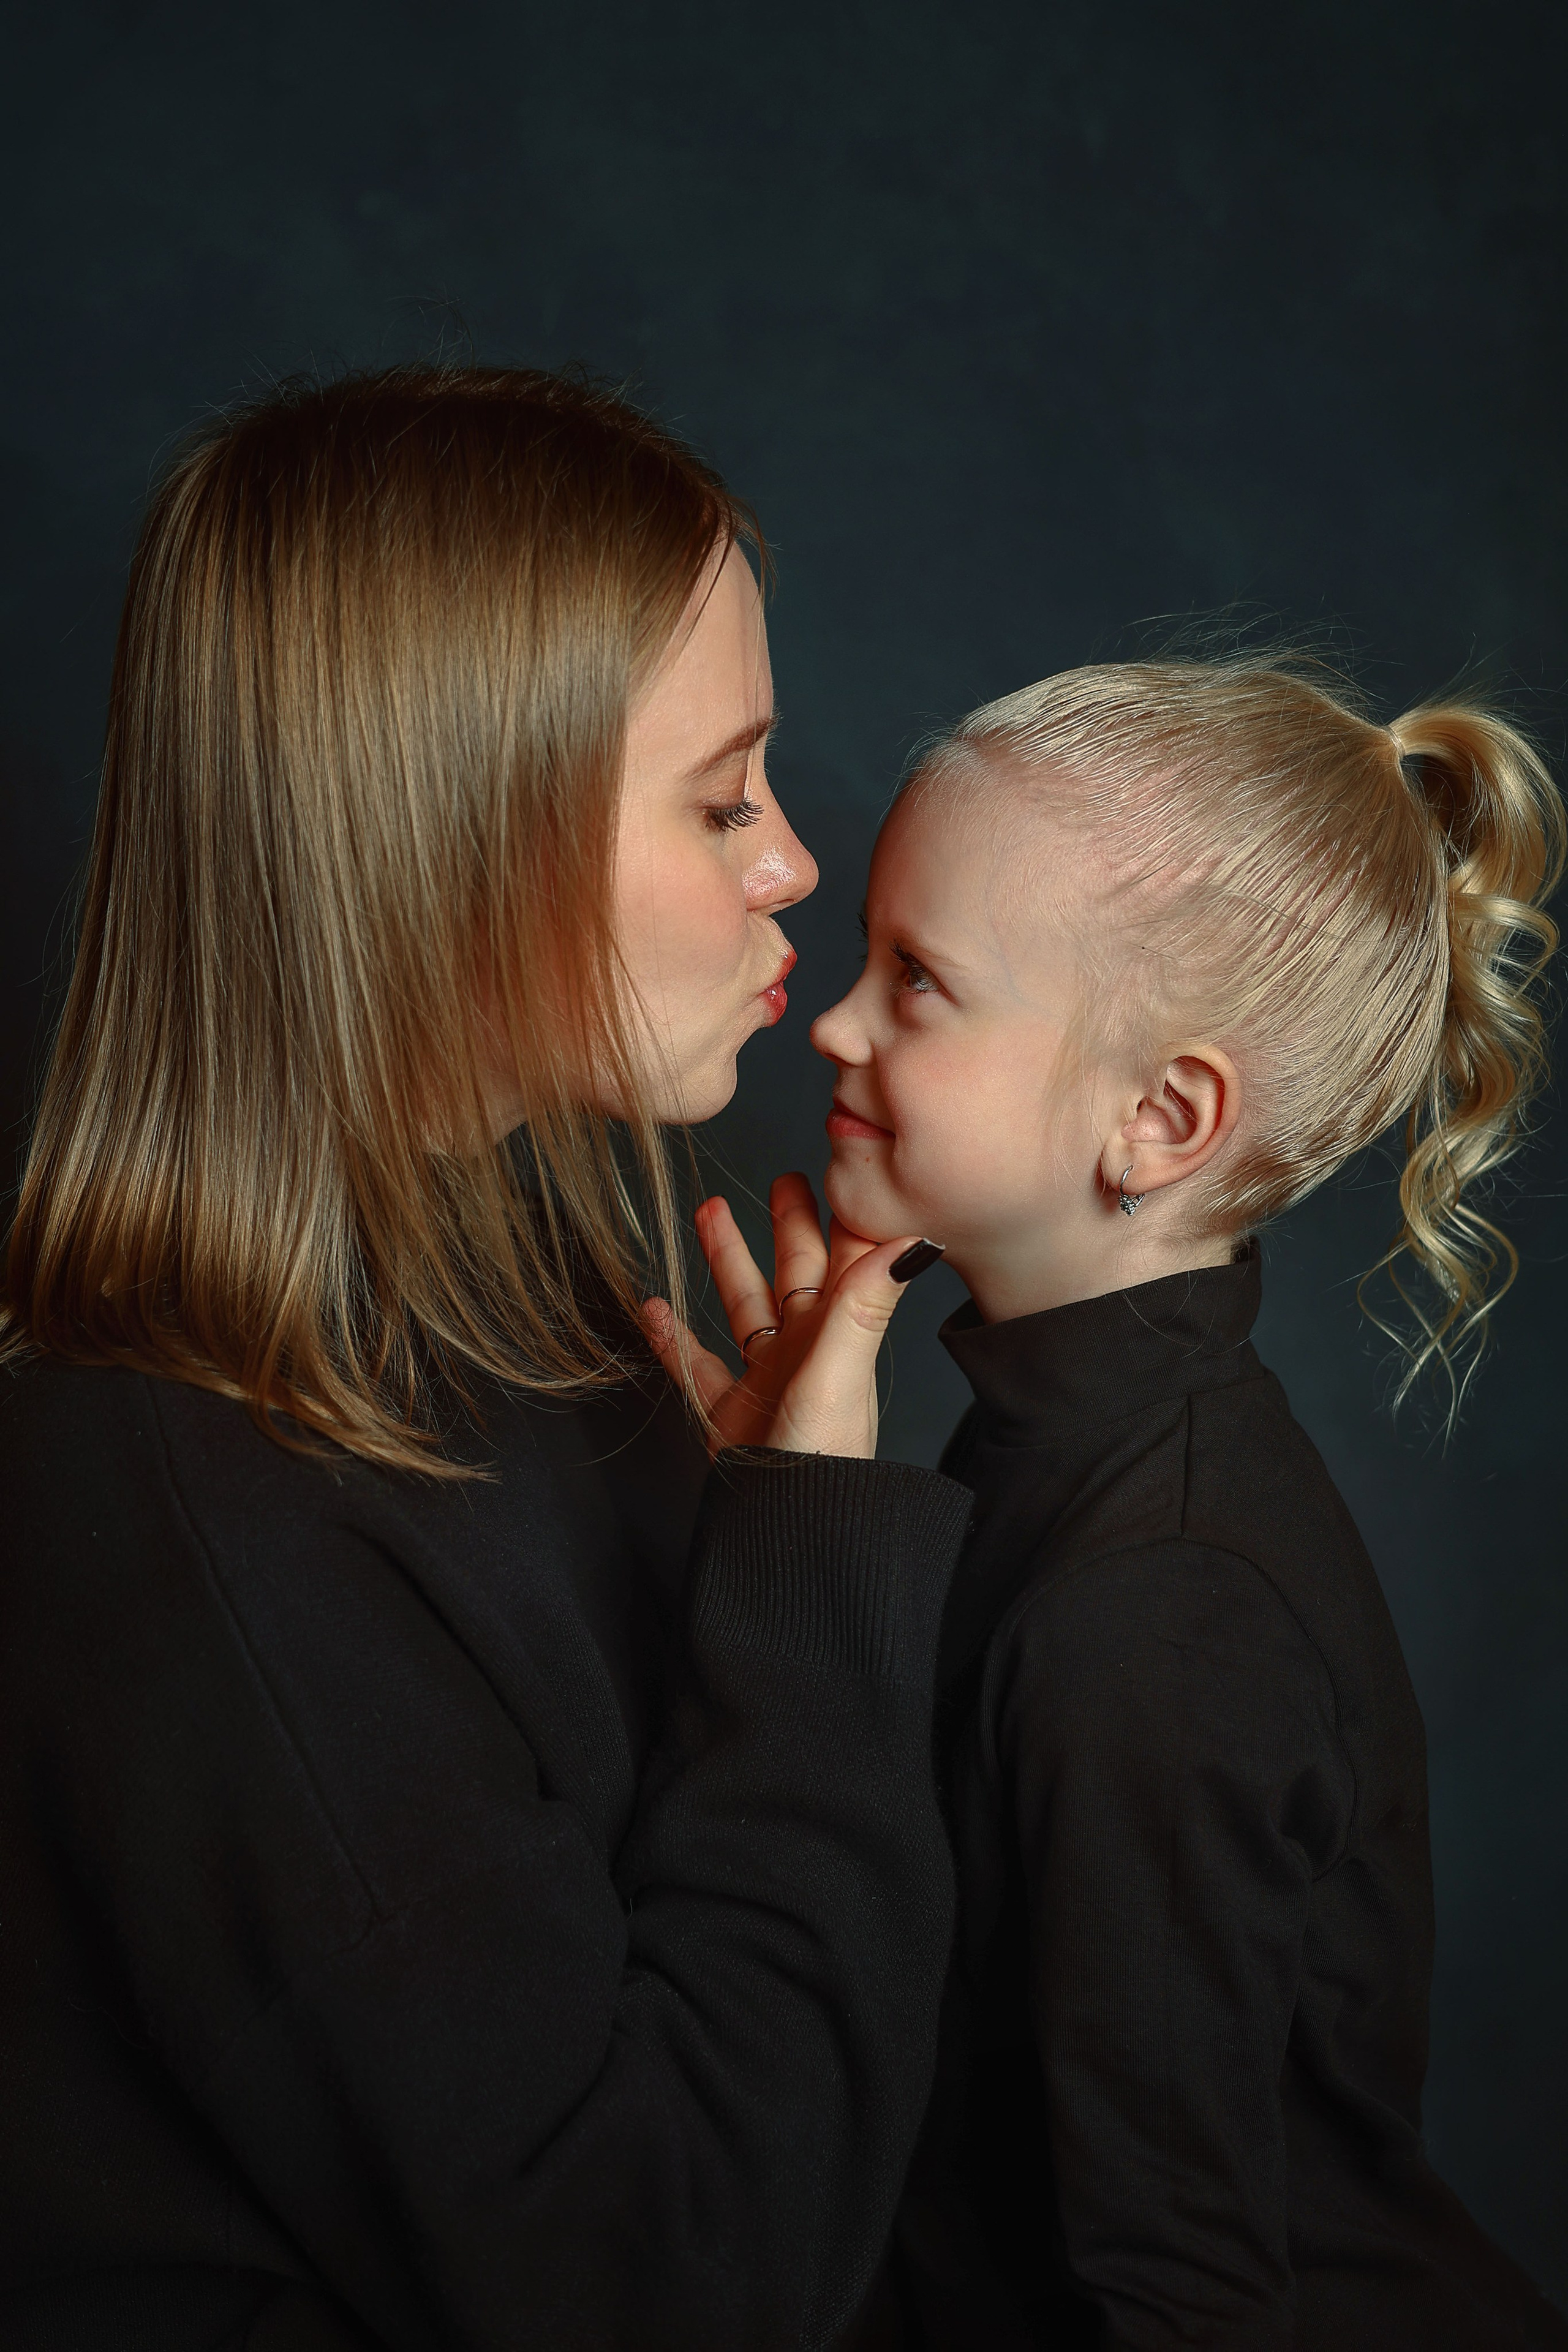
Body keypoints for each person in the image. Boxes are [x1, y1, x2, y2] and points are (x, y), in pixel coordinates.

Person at [0, 364, 970, 2352]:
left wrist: (724, 1544)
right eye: (722, 800)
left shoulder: (518, 1282)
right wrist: (804, 1598)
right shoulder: (190, 1513)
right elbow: (671, 2285)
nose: (793, 865)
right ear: (447, 840)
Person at [809, 657, 1568, 2349]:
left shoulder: (1159, 1606)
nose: (833, 1022)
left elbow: (1173, 2288)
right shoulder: (1060, 1457)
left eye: (916, 982)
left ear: (1161, 1118)